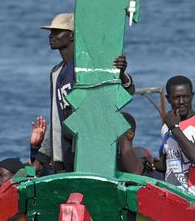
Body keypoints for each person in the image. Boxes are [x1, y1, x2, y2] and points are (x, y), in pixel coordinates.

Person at [37, 12, 134, 173]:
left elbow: (127, 90)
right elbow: (56, 118)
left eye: (57, 32)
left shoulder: (87, 67)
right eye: (50, 32)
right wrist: (43, 157)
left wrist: (121, 73)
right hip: (64, 154)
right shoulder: (56, 73)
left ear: (72, 36)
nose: (51, 36)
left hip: (87, 151)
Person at [157, 75, 195, 203]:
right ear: (168, 99)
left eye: (185, 96)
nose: (181, 101)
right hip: (176, 200)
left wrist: (174, 127)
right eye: (176, 97)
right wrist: (149, 164)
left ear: (192, 96)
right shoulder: (165, 127)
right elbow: (169, 162)